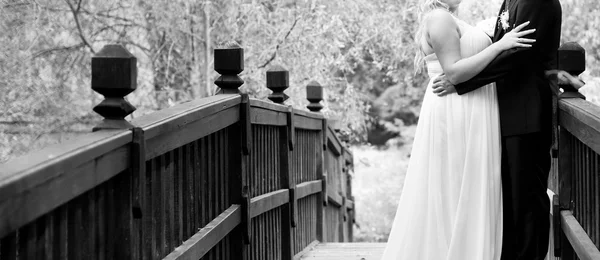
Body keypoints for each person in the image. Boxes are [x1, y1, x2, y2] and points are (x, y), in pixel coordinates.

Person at [380, 0, 536, 259]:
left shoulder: (450, 19)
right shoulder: (440, 18)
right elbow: (453, 73)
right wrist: (501, 44)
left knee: (466, 185)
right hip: (457, 111)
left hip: (472, 109)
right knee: (455, 185)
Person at [431, 0, 562, 259]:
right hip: (504, 113)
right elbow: (500, 45)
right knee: (509, 203)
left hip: (526, 113)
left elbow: (519, 54)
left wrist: (461, 82)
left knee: (526, 202)